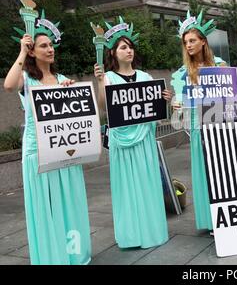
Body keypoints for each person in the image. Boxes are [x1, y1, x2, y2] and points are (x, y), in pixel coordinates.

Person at [4, 13, 91, 264]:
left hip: (65, 151)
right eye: (44, 45)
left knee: (68, 204)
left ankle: (73, 253)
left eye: (51, 45)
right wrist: (21, 51)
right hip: (37, 152)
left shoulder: (63, 80)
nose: (50, 49)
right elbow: (9, 86)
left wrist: (72, 92)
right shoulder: (27, 80)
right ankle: (52, 257)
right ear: (33, 51)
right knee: (47, 207)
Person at [94, 16, 170, 249]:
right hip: (121, 140)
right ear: (113, 53)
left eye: (130, 47)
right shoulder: (108, 78)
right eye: (123, 47)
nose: (129, 50)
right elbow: (104, 106)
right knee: (126, 188)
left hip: (145, 139)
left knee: (148, 184)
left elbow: (159, 111)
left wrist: (165, 100)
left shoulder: (146, 77)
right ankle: (131, 235)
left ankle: (152, 231)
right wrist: (99, 82)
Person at [171, 11, 226, 232]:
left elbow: (231, 99)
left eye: (192, 40)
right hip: (196, 129)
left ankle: (226, 216)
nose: (189, 45)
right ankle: (210, 220)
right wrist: (176, 104)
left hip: (220, 128)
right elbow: (179, 104)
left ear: (203, 41)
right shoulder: (183, 73)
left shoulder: (220, 65)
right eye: (186, 42)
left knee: (222, 171)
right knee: (204, 173)